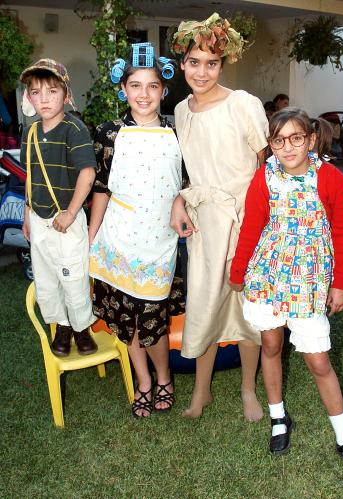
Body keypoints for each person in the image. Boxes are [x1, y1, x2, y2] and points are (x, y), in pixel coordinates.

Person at [229, 107, 343, 484]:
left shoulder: (330, 179)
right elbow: (252, 228)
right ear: (271, 145)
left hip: (309, 281)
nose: (288, 147)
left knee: (318, 361)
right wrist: (239, 269)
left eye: (296, 138)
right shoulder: (264, 178)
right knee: (271, 345)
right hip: (267, 276)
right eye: (279, 140)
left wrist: (340, 283)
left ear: (310, 140)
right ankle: (278, 416)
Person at [170, 13, 269, 421]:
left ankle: (249, 389)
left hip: (246, 219)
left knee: (247, 308)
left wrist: (262, 223)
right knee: (205, 303)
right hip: (205, 223)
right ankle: (202, 391)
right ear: (182, 64)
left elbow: (266, 169)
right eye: (195, 62)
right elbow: (190, 170)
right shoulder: (179, 111)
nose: (202, 71)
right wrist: (179, 199)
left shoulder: (244, 104)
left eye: (211, 63)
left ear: (223, 64)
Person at [88, 43, 185, 418]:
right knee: (127, 320)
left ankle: (164, 376)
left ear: (163, 91)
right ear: (123, 89)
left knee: (153, 321)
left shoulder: (178, 132)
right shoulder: (109, 132)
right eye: (136, 86)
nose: (144, 94)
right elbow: (101, 188)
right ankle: (143, 380)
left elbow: (187, 183)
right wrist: (94, 238)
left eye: (152, 86)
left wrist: (181, 202)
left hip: (159, 242)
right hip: (119, 238)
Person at [20, 59, 97, 357]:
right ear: (29, 97)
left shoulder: (73, 129)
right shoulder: (30, 133)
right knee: (47, 277)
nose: (44, 99)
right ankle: (62, 327)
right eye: (36, 92)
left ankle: (81, 328)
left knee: (73, 276)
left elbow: (87, 173)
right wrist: (27, 213)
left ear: (66, 94)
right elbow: (31, 174)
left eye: (52, 91)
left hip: (68, 217)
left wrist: (71, 212)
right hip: (39, 219)